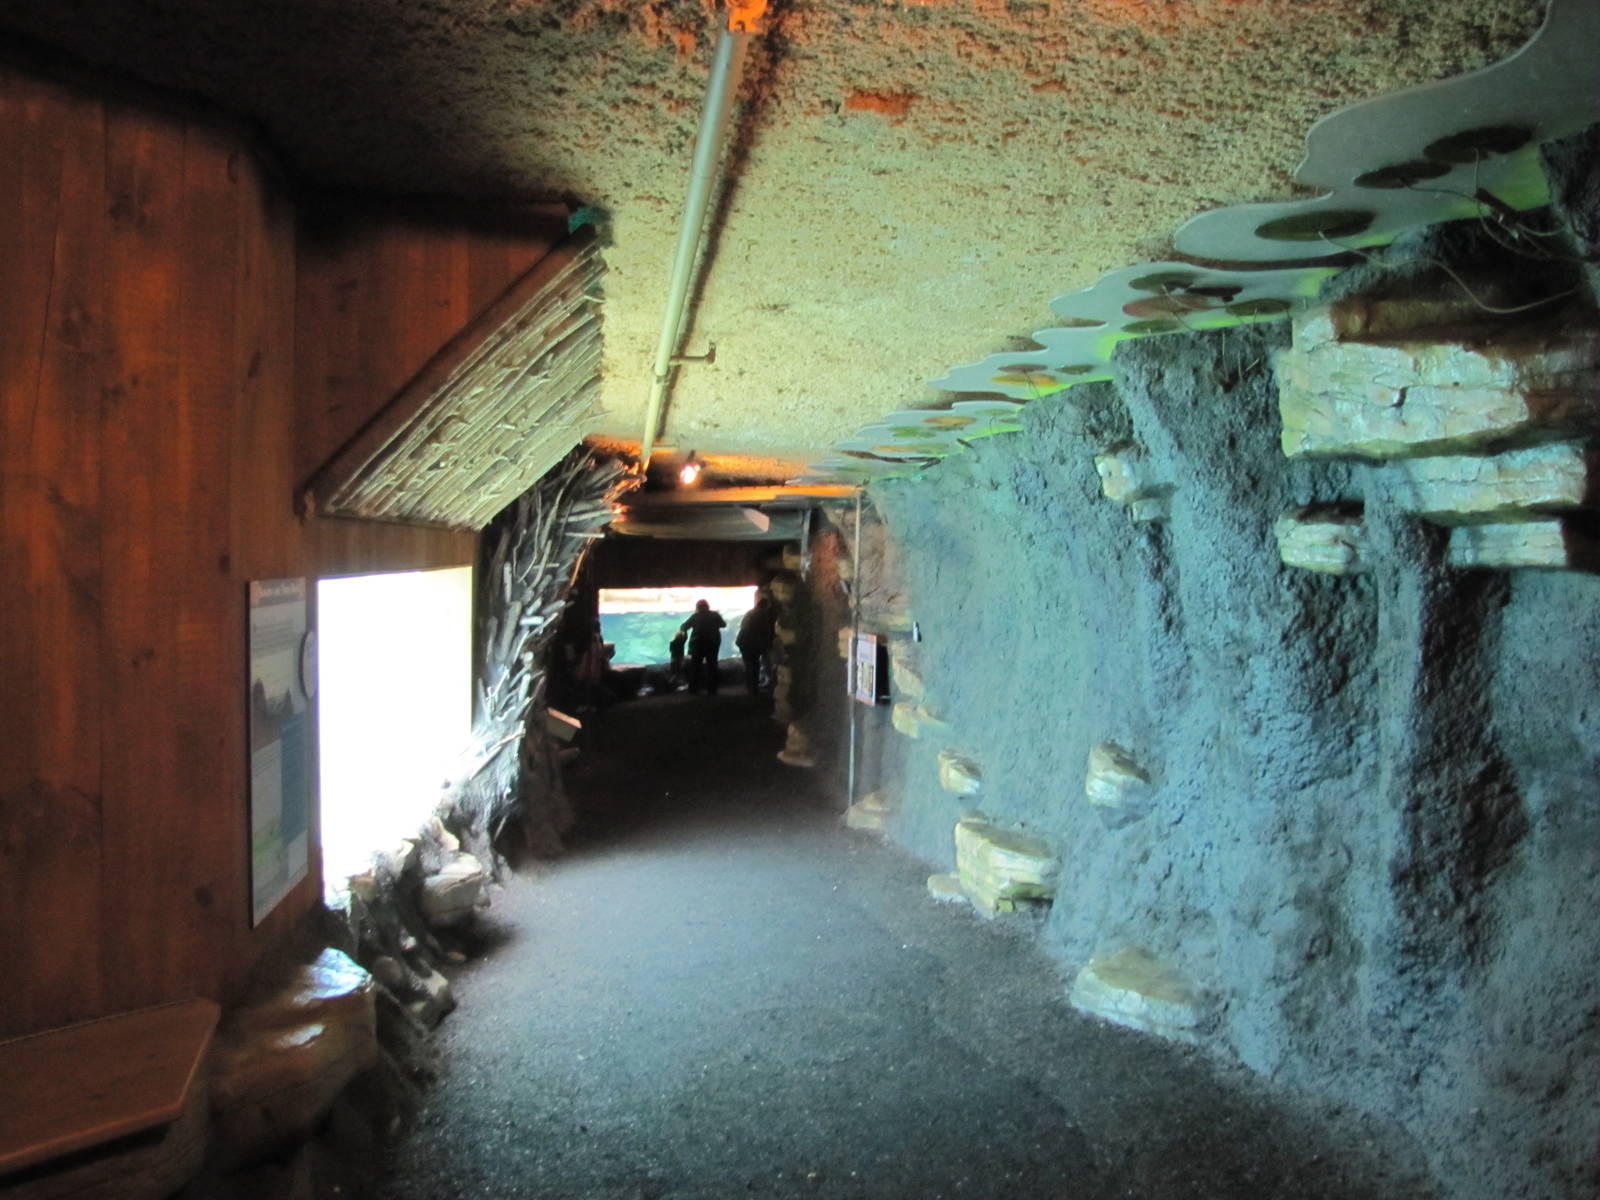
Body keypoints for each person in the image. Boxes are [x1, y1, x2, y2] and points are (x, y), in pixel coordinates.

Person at [678, 598, 726, 695]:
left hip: (697, 645)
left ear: (697, 607)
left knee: (695, 667)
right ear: (708, 606)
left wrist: (684, 634)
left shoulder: (695, 616)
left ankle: (693, 689)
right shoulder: (714, 615)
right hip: (712, 644)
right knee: (712, 666)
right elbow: (723, 624)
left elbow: (684, 626)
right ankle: (712, 690)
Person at [735, 594, 776, 696]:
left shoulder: (749, 612)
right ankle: (754, 689)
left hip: (743, 642)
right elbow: (765, 631)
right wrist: (766, 644)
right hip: (752, 644)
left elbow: (742, 625)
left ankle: (750, 687)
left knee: (749, 664)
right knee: (754, 665)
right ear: (765, 606)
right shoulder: (762, 615)